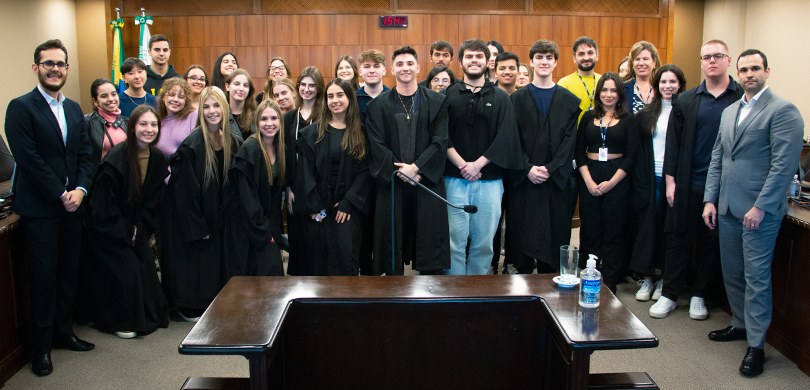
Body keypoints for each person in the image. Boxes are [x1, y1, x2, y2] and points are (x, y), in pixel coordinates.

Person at [703, 49, 804, 377]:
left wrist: (761, 205)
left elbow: (784, 165)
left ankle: (757, 345)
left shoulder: (783, 111)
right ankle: (740, 323)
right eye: (744, 69)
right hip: (729, 206)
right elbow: (718, 157)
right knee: (732, 272)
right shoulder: (731, 111)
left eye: (755, 68)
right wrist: (710, 200)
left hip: (759, 211)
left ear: (767, 71)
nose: (749, 74)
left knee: (756, 278)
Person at [5, 39, 95, 377]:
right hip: (41, 209)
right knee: (44, 278)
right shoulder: (20, 107)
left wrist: (82, 190)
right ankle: (40, 348)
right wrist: (61, 192)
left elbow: (85, 154)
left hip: (73, 206)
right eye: (48, 64)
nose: (55, 69)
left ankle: (63, 331)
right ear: (36, 68)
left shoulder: (73, 108)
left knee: (69, 271)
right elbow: (29, 160)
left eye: (60, 64)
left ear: (67, 69)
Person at [649, 39, 742, 320]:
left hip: (724, 185)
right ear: (701, 63)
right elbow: (673, 146)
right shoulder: (687, 100)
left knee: (711, 242)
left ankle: (699, 295)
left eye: (717, 56)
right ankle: (669, 294)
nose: (711, 61)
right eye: (706, 57)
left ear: (728, 60)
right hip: (688, 181)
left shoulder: (740, 98)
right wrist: (671, 182)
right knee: (678, 239)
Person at [365, 45, 450, 275]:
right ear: (392, 69)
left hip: (426, 183)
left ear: (418, 67)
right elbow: (377, 146)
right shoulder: (377, 106)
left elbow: (440, 141)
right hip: (392, 185)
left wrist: (416, 168)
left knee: (429, 247)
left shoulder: (437, 102)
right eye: (400, 64)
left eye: (410, 63)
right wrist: (402, 171)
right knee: (391, 250)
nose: (405, 68)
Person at [86, 105, 169, 339]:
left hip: (136, 227)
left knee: (144, 267)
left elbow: (152, 203)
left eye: (153, 124)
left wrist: (138, 229)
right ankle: (119, 320)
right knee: (128, 269)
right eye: (143, 124)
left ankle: (141, 317)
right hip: (107, 230)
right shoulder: (116, 158)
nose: (149, 129)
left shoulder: (158, 158)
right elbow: (103, 207)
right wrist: (125, 230)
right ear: (132, 127)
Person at [160, 86, 241, 322]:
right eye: (206, 106)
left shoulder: (232, 142)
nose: (212, 111)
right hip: (194, 217)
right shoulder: (192, 146)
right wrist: (198, 225)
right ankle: (191, 306)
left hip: (218, 216)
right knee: (198, 262)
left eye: (217, 105)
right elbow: (185, 193)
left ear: (225, 108)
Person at [443, 39, 522, 275]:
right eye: (469, 56)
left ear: (487, 62)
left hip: (489, 181)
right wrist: (462, 165)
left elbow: (505, 136)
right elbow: (441, 135)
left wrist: (477, 165)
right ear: (460, 62)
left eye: (479, 56)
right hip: (454, 179)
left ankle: (478, 293)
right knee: (454, 242)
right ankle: (455, 294)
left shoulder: (501, 97)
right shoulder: (447, 95)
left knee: (484, 244)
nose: (474, 60)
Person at [507, 39, 581, 274]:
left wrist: (551, 168)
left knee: (555, 232)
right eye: (539, 57)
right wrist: (527, 168)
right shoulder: (516, 100)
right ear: (531, 62)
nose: (544, 62)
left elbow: (570, 141)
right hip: (524, 179)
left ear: (556, 62)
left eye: (549, 58)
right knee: (523, 233)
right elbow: (512, 139)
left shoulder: (568, 100)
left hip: (554, 180)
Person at [297, 79, 372, 275]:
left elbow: (365, 171)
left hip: (347, 209)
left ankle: (345, 304)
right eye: (330, 96)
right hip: (319, 208)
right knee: (318, 258)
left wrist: (349, 202)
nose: (335, 100)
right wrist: (315, 207)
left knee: (345, 256)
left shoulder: (362, 133)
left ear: (350, 99)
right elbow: (305, 173)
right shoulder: (311, 134)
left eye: (340, 95)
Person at [575, 72, 639, 293]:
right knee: (591, 227)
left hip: (617, 176)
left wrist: (612, 182)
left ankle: (611, 276)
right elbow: (578, 152)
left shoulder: (628, 120)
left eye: (613, 90)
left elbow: (631, 156)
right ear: (598, 93)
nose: (609, 94)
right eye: (604, 90)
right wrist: (588, 181)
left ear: (619, 93)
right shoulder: (588, 116)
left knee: (613, 228)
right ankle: (589, 270)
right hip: (589, 174)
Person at [629, 65, 686, 301]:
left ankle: (665, 280)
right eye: (663, 82)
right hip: (650, 178)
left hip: (674, 179)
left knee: (669, 229)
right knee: (647, 228)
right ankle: (647, 278)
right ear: (657, 85)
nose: (668, 86)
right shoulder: (646, 114)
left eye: (673, 82)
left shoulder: (686, 111)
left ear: (680, 84)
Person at [225, 100, 287, 278]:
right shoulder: (250, 150)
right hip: (247, 223)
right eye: (264, 119)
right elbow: (247, 197)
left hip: (264, 220)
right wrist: (264, 231)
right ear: (256, 122)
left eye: (274, 118)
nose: (269, 124)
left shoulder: (280, 147)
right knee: (256, 276)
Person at [284, 66, 325, 275]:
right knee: (299, 239)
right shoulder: (289, 118)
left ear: (319, 89)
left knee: (318, 238)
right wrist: (289, 187)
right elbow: (286, 156)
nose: (307, 89)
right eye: (303, 85)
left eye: (312, 85)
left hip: (320, 187)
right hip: (296, 188)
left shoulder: (325, 116)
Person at [85, 78, 128, 168]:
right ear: (95, 102)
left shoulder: (128, 122)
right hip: (100, 178)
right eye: (104, 96)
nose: (111, 99)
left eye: (113, 94)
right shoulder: (87, 123)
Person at [558, 36, 601, 123]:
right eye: (581, 54)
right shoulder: (564, 84)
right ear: (574, 58)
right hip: (574, 135)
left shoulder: (604, 81)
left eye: (590, 53)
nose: (586, 58)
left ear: (597, 56)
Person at [155, 77, 197, 159]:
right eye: (171, 95)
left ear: (186, 101)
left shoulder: (193, 116)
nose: (175, 99)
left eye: (181, 97)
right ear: (163, 97)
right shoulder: (157, 119)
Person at [624, 41, 661, 114]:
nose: (641, 63)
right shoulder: (622, 89)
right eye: (637, 59)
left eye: (645, 59)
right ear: (632, 63)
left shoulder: (661, 88)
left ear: (654, 62)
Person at [356, 49, 389, 119]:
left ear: (384, 71)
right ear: (360, 71)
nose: (371, 71)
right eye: (367, 66)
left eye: (376, 66)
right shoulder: (353, 98)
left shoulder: (393, 97)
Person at [225, 69, 257, 139]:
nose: (241, 88)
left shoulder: (257, 115)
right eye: (237, 84)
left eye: (245, 85)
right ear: (227, 87)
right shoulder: (221, 115)